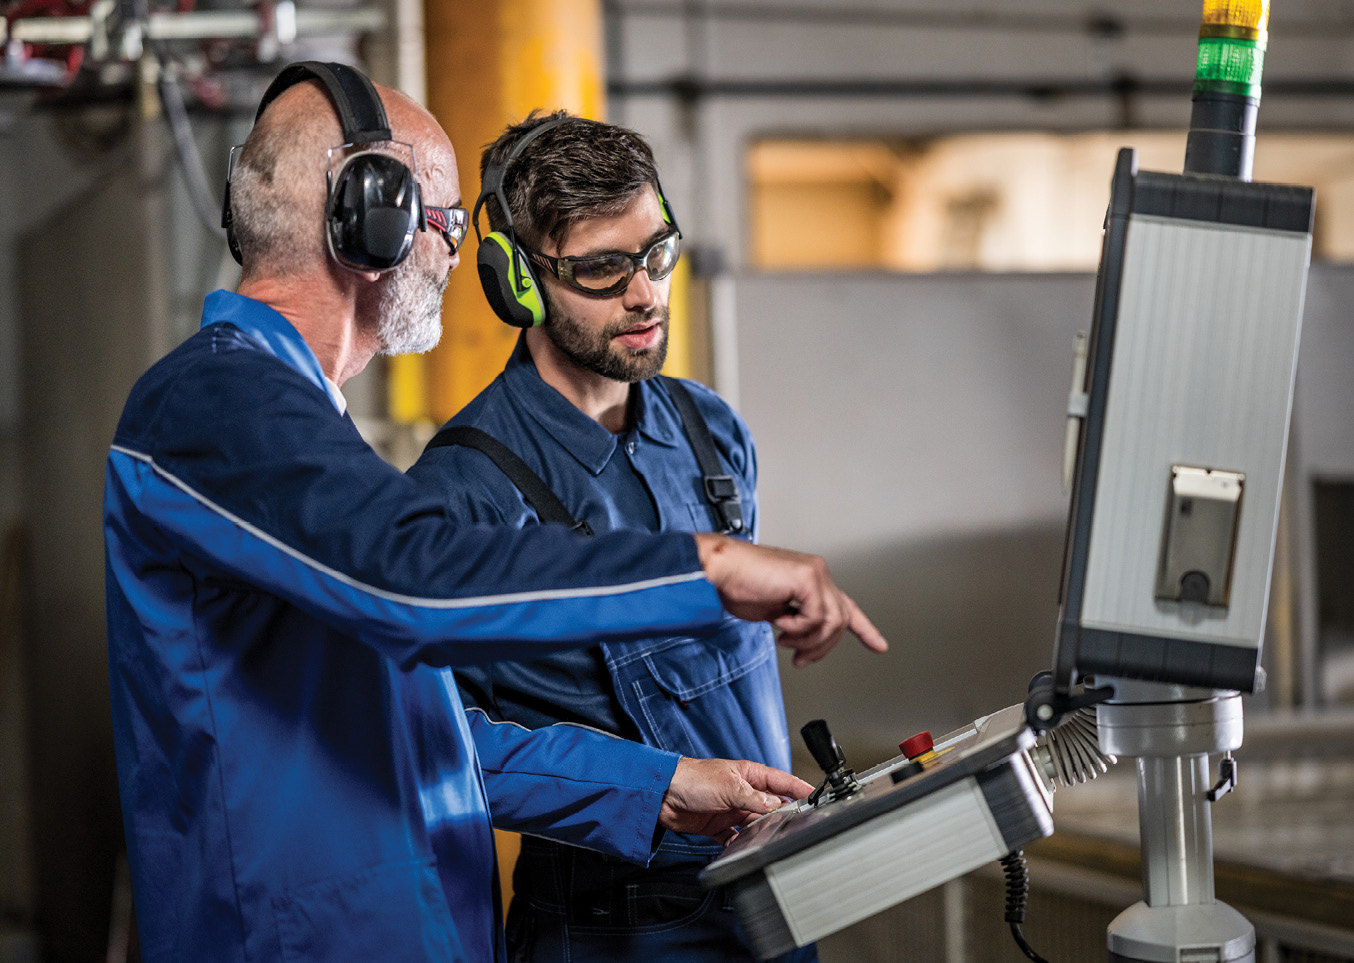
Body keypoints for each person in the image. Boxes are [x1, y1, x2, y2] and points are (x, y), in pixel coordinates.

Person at [103, 62, 884, 963]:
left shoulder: (301, 428)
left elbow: (432, 734)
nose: (448, 258)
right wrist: (703, 568)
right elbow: (417, 581)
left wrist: (653, 784)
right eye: (440, 222)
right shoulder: (213, 401)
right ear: (372, 221)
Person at [406, 112, 866, 962]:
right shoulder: (458, 494)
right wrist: (653, 786)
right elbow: (430, 744)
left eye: (656, 252)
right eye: (603, 268)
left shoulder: (709, 429)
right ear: (517, 280)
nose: (646, 291)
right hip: (613, 934)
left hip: (772, 904)